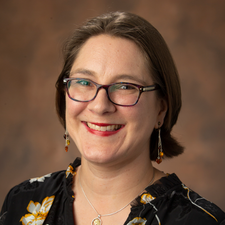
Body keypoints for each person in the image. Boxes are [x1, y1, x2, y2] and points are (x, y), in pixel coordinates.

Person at [0, 11, 224, 225]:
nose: (100, 106)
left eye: (125, 86)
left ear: (161, 110)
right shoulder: (21, 203)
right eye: (85, 82)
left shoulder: (200, 221)